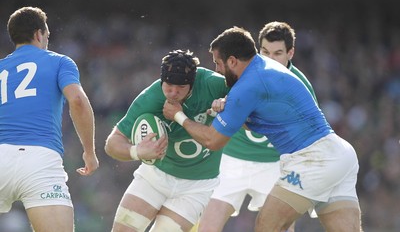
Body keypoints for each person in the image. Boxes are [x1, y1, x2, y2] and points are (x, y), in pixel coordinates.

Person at [163, 27, 362, 232]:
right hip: (340, 154)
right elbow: (266, 118)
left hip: (312, 160)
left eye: (218, 63)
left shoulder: (247, 86)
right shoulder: (266, 68)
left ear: (232, 61)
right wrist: (230, 113)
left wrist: (179, 116)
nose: (217, 70)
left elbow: (213, 141)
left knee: (267, 225)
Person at [196, 21, 317, 232]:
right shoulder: (239, 71)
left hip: (274, 166)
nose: (270, 59)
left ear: (291, 53)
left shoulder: (299, 85)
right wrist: (216, 106)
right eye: (265, 51)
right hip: (232, 160)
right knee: (207, 226)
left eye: (278, 53)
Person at [104, 49, 230, 232]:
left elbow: (251, 96)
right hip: (154, 177)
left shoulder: (213, 84)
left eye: (181, 87)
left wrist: (229, 101)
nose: (173, 92)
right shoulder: (151, 98)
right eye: (168, 86)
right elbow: (112, 143)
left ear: (192, 84)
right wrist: (137, 151)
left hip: (196, 186)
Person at [0, 7, 99, 232]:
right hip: (40, 161)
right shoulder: (59, 62)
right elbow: (78, 102)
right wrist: (89, 152)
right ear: (39, 34)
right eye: (47, 36)